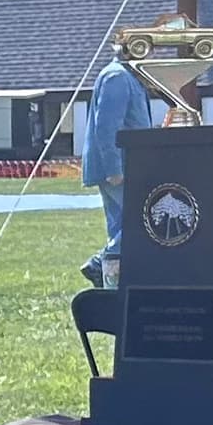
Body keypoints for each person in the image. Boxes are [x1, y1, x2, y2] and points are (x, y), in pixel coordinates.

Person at [77, 42, 153, 287]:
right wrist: (114, 169)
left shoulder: (126, 76)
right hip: (119, 166)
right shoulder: (117, 77)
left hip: (127, 165)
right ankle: (101, 263)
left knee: (122, 224)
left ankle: (115, 279)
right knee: (140, 219)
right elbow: (106, 125)